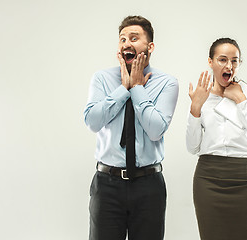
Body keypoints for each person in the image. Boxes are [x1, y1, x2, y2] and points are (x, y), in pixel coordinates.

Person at [84, 15, 179, 240]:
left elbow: (156, 130)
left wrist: (137, 88)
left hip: (148, 185)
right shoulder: (102, 79)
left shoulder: (167, 82)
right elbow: (93, 122)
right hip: (106, 184)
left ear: (150, 46)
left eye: (134, 38)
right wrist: (123, 88)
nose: (127, 43)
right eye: (122, 39)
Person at [186, 38, 247, 240]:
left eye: (234, 60)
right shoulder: (202, 97)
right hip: (208, 177)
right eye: (222, 59)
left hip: (242, 177)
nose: (229, 66)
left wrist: (240, 100)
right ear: (211, 62)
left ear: (239, 64)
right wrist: (195, 108)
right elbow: (192, 147)